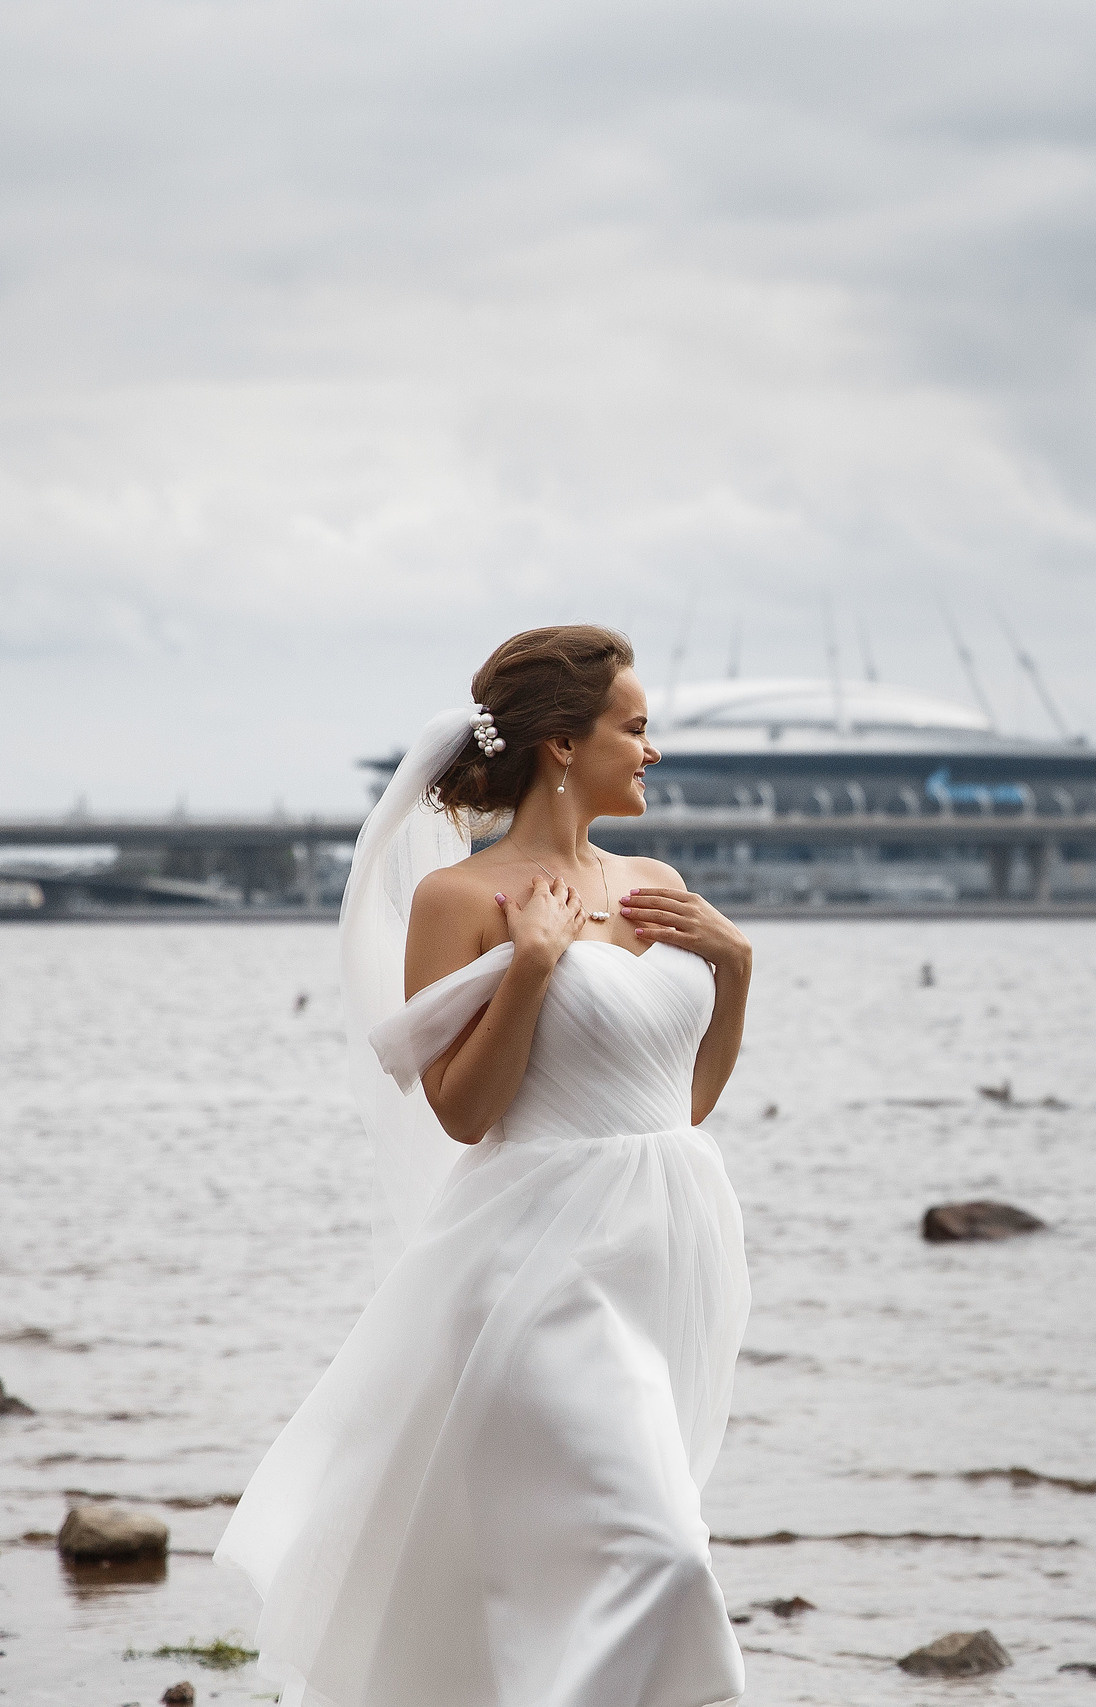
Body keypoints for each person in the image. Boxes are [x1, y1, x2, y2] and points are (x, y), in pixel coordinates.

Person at [218, 625, 757, 1707]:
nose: (652, 752)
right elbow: (462, 1114)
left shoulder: (655, 882)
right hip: (544, 1267)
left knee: (593, 1551)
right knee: (660, 1552)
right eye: (635, 728)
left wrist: (734, 967)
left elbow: (683, 1104)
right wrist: (535, 967)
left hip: (670, 1252)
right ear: (563, 744)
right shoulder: (460, 902)